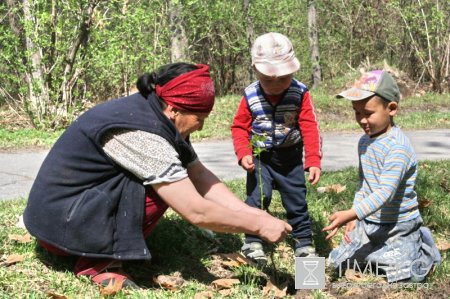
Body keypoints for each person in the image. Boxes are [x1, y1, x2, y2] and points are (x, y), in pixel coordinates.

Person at [24, 63, 292, 289]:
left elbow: (199, 174)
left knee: (174, 178)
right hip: (59, 227)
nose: (202, 126)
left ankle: (107, 244)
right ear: (175, 109)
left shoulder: (155, 111)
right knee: (167, 189)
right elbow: (195, 211)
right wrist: (257, 227)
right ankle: (96, 264)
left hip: (67, 212)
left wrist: (254, 214)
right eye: (200, 118)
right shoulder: (142, 134)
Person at [323, 70, 441, 282]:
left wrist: (352, 213)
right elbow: (364, 183)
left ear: (392, 108)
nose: (362, 120)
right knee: (337, 260)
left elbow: (385, 192)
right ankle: (305, 283)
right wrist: (356, 216)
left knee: (407, 275)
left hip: (398, 227)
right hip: (368, 224)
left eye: (368, 113)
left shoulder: (397, 148)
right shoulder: (364, 142)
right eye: (357, 112)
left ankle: (422, 246)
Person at [231, 32, 322, 264]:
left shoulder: (299, 93)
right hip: (260, 157)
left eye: (282, 78)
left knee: (296, 200)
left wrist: (313, 159)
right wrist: (243, 153)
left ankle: (304, 244)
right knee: (258, 197)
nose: (275, 85)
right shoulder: (250, 95)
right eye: (268, 80)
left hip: (290, 158)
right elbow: (239, 127)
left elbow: (310, 126)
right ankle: (253, 241)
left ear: (292, 71)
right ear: (256, 71)